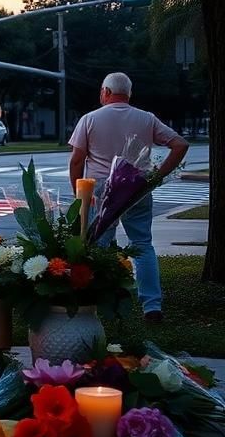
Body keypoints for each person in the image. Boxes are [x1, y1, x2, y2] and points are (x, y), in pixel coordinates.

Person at [68, 72, 189, 323]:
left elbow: (77, 160)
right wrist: (156, 176)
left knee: (99, 247)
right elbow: (180, 144)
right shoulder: (146, 119)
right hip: (137, 186)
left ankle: (101, 304)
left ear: (105, 92)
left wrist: (79, 195)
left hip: (100, 188)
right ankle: (152, 306)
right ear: (129, 93)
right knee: (142, 245)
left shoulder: (90, 119)